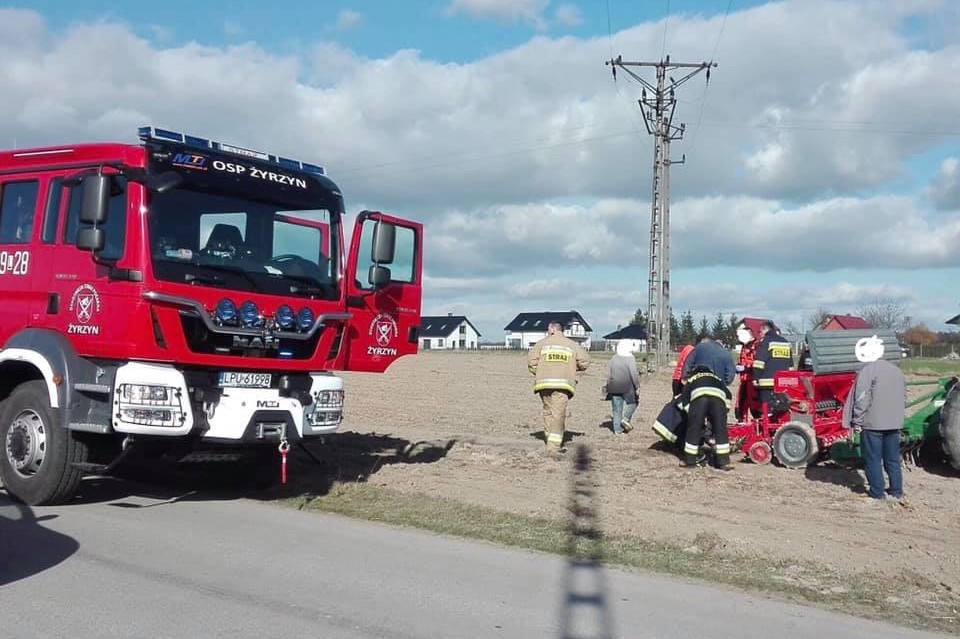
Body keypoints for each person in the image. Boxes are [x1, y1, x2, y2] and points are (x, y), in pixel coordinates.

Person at [842, 335, 907, 501]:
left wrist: (857, 420)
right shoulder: (896, 370)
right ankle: (896, 491)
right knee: (892, 459)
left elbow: (862, 399)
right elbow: (903, 396)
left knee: (873, 459)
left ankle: (877, 492)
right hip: (894, 423)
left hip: (873, 424)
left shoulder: (868, 371)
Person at [528, 321, 590, 455]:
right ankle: (554, 446)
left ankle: (549, 438)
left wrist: (540, 372)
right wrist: (571, 368)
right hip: (562, 385)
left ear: (552, 329)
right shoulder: (572, 345)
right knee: (558, 415)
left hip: (543, 384)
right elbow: (585, 362)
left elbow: (531, 363)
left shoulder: (541, 344)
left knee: (548, 412)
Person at [679, 365, 734, 470]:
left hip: (700, 399)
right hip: (718, 401)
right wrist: (723, 412)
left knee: (693, 431)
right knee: (721, 431)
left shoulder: (693, 379)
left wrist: (692, 416)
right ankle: (724, 462)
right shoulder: (717, 379)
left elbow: (684, 398)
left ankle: (690, 461)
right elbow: (728, 395)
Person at [751, 321, 792, 415]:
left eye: (760, 332)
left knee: (766, 410)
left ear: (765, 330)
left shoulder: (766, 342)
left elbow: (758, 363)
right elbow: (790, 365)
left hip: (766, 383)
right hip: (782, 383)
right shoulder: (785, 342)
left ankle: (766, 426)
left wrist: (755, 378)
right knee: (780, 408)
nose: (759, 334)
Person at [605, 340, 641, 434]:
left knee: (617, 409)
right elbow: (633, 374)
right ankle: (625, 418)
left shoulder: (614, 358)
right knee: (633, 403)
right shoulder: (630, 358)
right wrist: (637, 386)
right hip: (627, 386)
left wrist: (608, 384)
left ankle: (617, 430)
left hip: (614, 385)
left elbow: (608, 372)